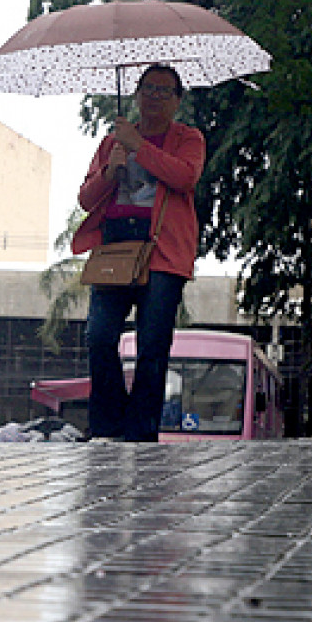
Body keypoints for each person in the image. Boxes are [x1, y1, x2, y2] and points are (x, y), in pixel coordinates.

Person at [72, 63, 208, 442]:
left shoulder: (187, 138)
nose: (155, 97)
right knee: (99, 336)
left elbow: (184, 176)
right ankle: (107, 424)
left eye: (165, 91)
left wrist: (138, 147)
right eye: (148, 88)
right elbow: (86, 199)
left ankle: (141, 429)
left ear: (178, 100)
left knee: (152, 343)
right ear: (135, 94)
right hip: (115, 247)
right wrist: (109, 172)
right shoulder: (111, 142)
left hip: (162, 250)